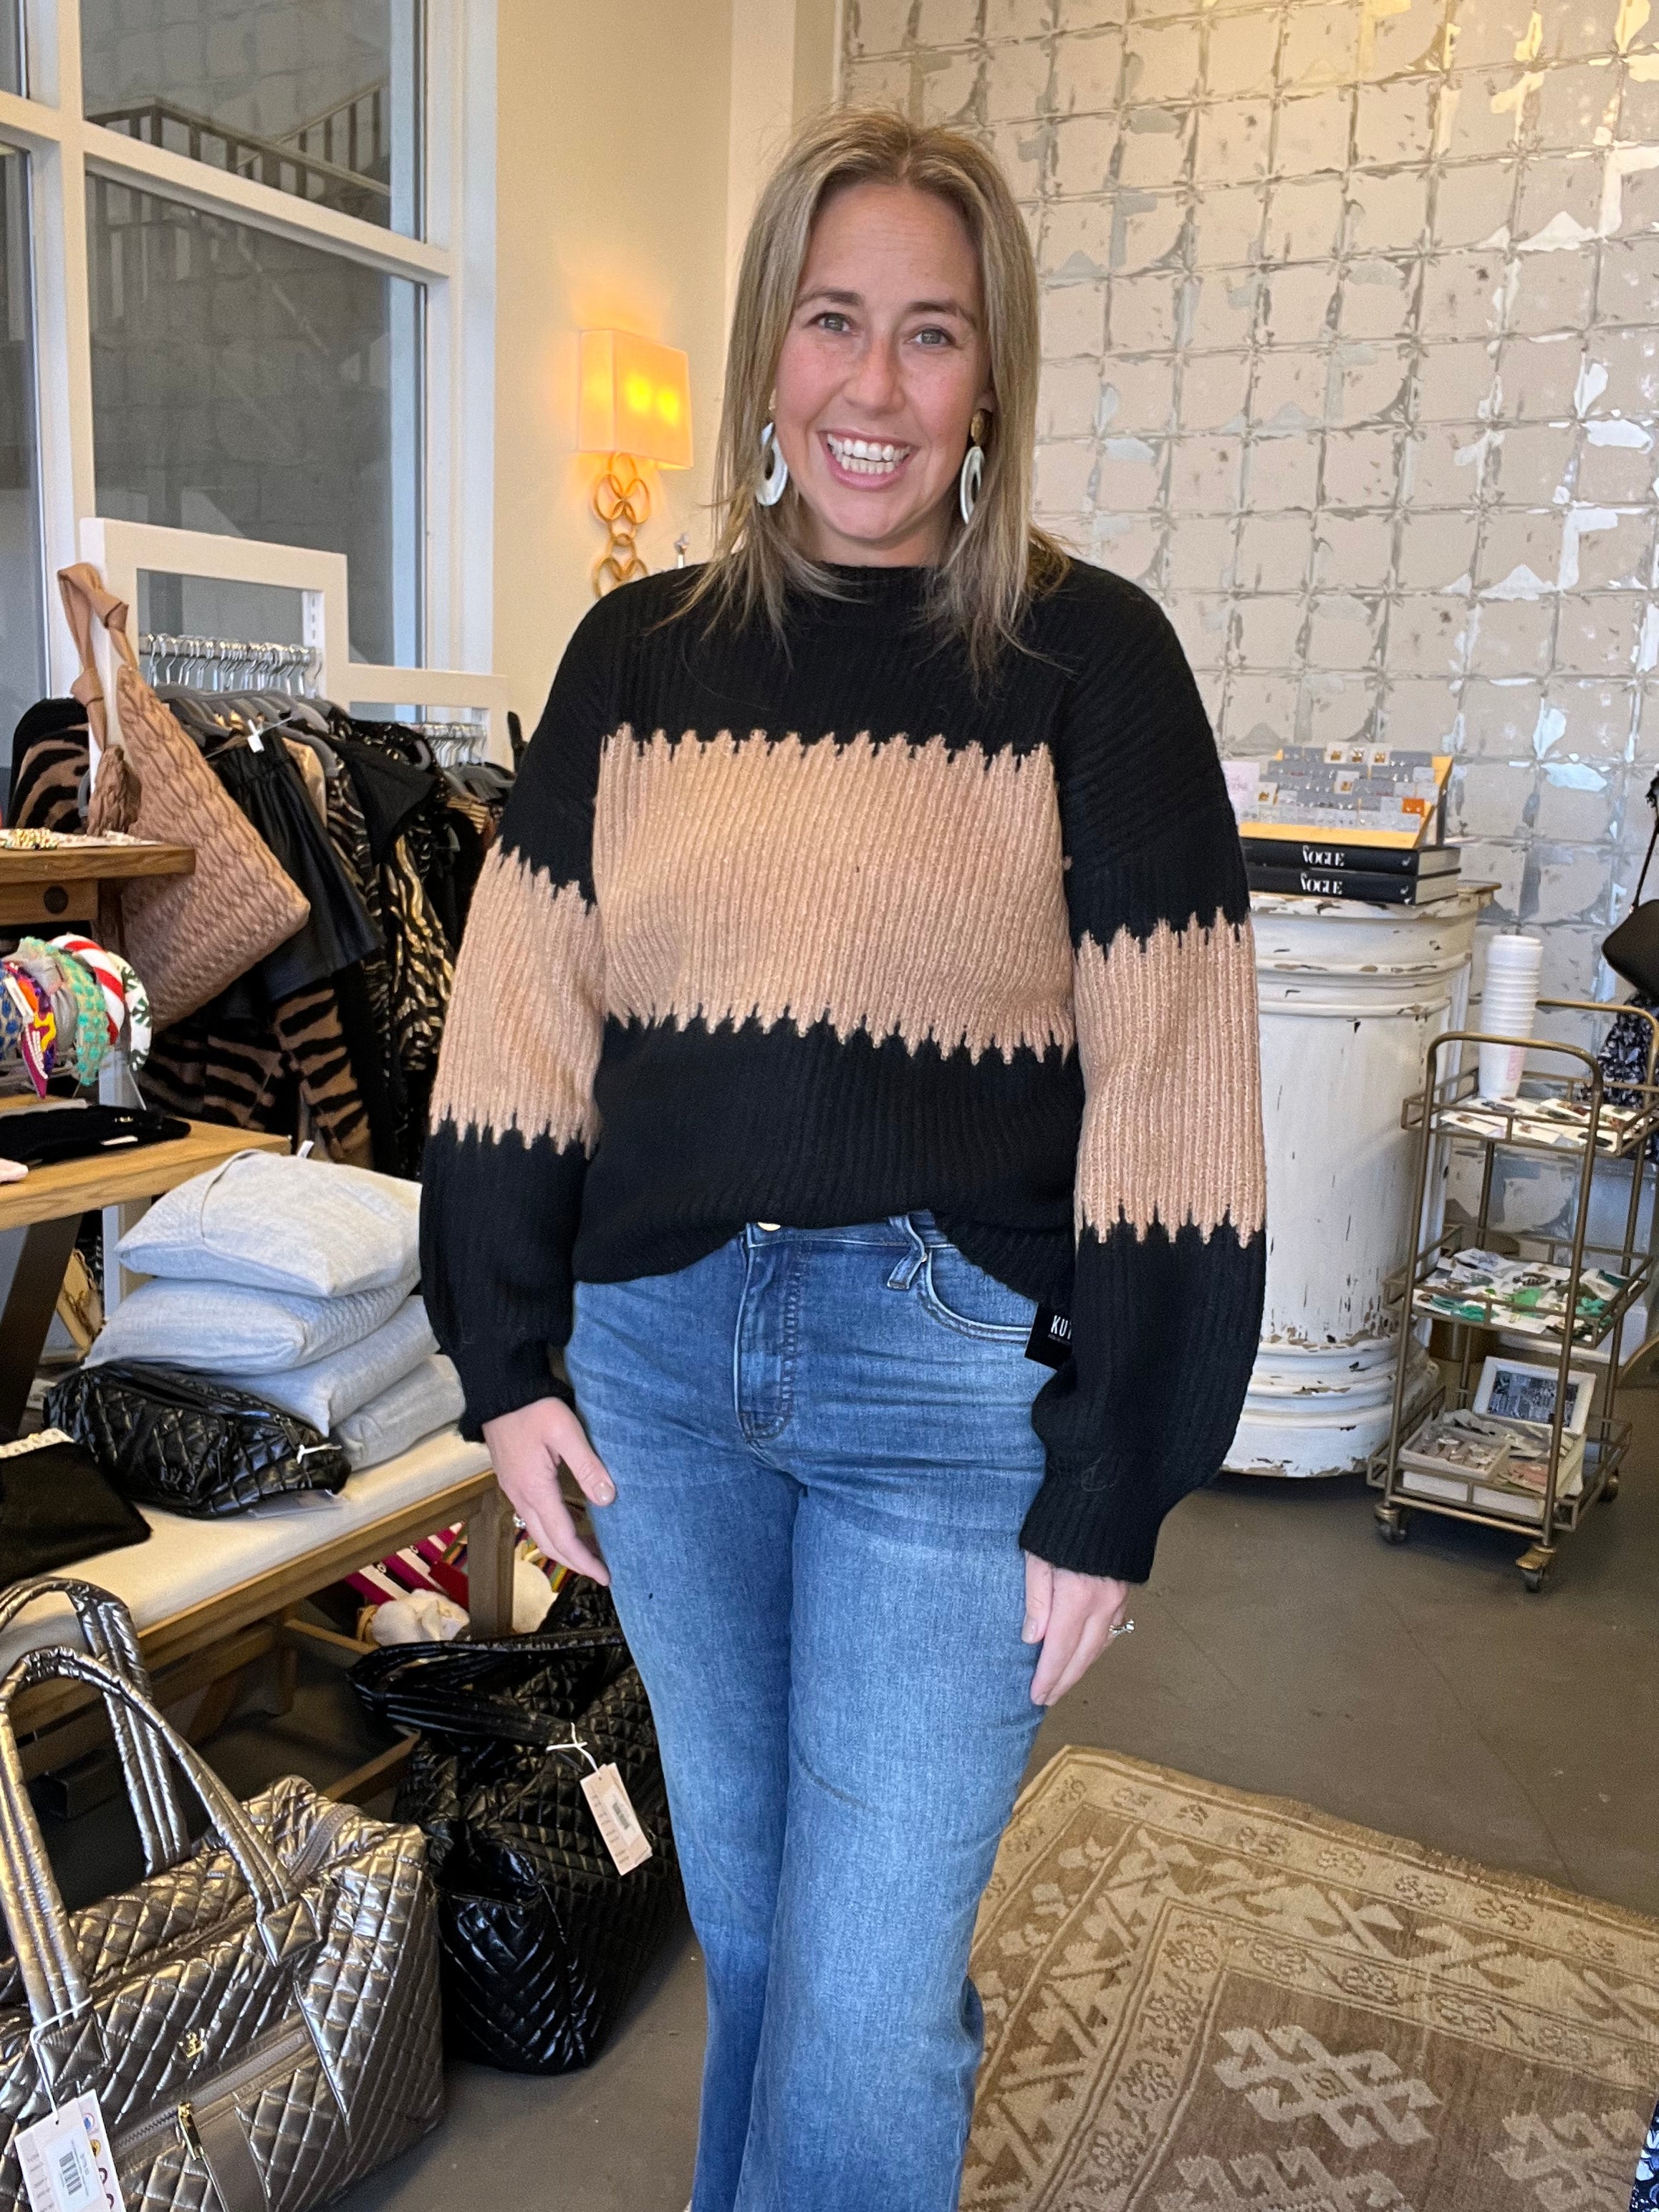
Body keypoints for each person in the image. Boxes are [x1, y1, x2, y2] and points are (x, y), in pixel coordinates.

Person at [420, 105, 1265, 2212]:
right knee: (766, 1937)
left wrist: (1118, 1476)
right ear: (764, 350)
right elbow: (519, 1023)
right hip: (658, 1373)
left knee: (874, 1999)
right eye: (831, 321)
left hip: (945, 1386)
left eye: (931, 333)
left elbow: (1176, 1086)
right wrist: (505, 1364)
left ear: (991, 379)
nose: (873, 387)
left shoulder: (1089, 664)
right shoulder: (634, 659)